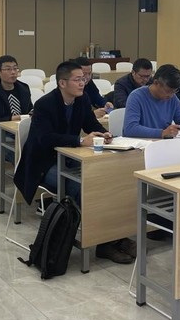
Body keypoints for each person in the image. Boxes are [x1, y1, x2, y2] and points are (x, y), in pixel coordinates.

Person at [14, 61, 134, 264]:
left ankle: (115, 235)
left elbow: (90, 124)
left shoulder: (82, 99)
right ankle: (104, 243)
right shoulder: (44, 104)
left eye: (84, 79)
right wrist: (79, 141)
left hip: (70, 157)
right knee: (84, 188)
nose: (82, 83)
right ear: (62, 83)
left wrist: (103, 133)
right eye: (78, 79)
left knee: (106, 181)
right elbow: (45, 138)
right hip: (43, 163)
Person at [123, 64, 180, 138]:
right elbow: (130, 128)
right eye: (168, 91)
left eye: (175, 91)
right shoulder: (136, 97)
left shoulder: (172, 98)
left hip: (163, 143)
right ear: (156, 83)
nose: (171, 95)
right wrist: (161, 133)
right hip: (140, 145)